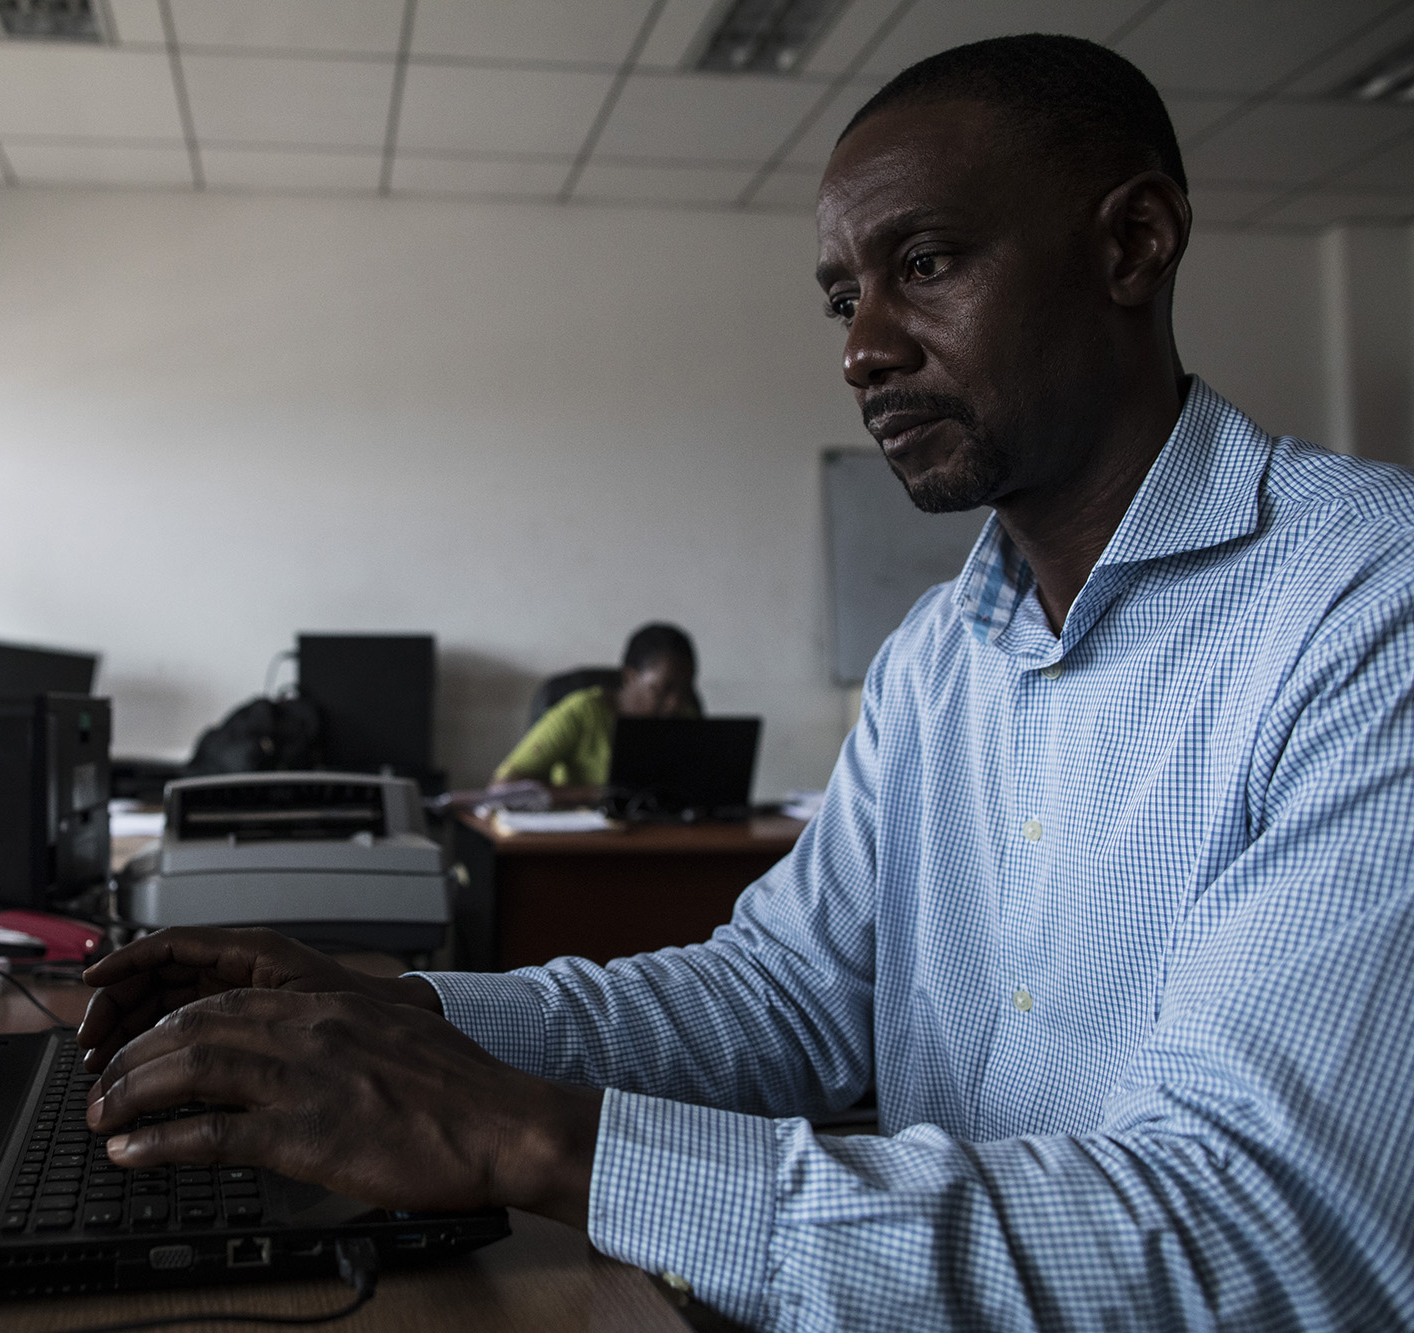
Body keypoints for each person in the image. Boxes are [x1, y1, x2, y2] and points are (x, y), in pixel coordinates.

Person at [76, 35, 1414, 1328]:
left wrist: (534, 1139)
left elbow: (1257, 1236)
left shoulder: (1367, 609)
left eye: (926, 263)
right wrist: (400, 1013)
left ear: (1131, 244)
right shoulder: (937, 662)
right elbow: (778, 999)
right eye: (845, 299)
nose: (861, 350)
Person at [490, 622, 699, 788]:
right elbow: (504, 785)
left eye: (685, 690)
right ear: (630, 677)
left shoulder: (685, 716)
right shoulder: (582, 712)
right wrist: (592, 795)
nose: (675, 703)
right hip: (583, 838)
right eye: (663, 690)